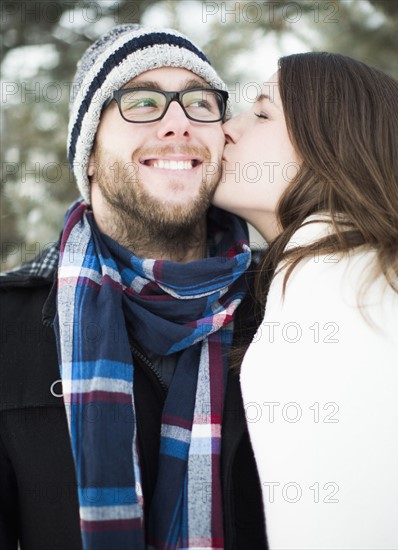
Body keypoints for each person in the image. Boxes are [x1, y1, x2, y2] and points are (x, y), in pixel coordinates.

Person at [0, 25, 267, 550]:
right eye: (140, 102)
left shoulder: (285, 301)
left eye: (199, 102)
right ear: (89, 155)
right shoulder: (9, 326)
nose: (177, 124)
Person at [213, 52, 398, 549]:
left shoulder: (351, 284)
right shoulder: (332, 272)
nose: (227, 129)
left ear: (335, 145)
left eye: (261, 112)